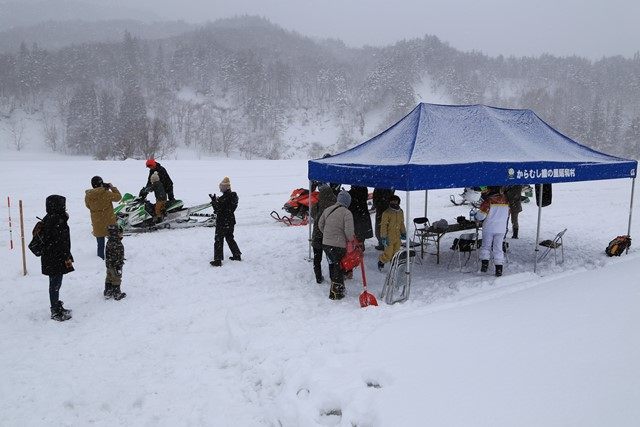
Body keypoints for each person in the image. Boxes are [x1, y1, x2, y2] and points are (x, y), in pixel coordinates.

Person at [41, 195, 74, 321]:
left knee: (56, 283)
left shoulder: (53, 217)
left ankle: (56, 305)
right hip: (55, 257)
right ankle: (55, 310)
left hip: (54, 257)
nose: (65, 207)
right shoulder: (55, 220)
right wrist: (66, 255)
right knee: (55, 283)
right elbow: (60, 241)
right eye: (63, 205)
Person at [318, 190, 355, 300]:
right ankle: (336, 293)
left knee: (334, 264)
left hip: (326, 244)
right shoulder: (347, 213)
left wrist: (328, 234)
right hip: (338, 245)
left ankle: (337, 287)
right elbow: (349, 232)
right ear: (347, 202)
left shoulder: (328, 210)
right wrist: (351, 240)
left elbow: (320, 224)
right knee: (338, 267)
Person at [474, 187, 510, 277]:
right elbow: (508, 213)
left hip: (489, 228)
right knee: (498, 249)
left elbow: (481, 216)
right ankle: (499, 269)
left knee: (486, 247)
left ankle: (484, 266)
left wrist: (476, 216)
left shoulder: (488, 201)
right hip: (501, 229)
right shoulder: (506, 201)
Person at [85, 176, 121, 259]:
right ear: (101, 183)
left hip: (97, 222)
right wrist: (112, 188)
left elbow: (88, 206)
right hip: (109, 221)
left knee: (100, 244)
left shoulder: (88, 195)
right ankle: (114, 256)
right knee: (113, 242)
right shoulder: (106, 193)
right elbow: (118, 197)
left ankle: (100, 259)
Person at [209, 176, 242, 267]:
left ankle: (218, 260)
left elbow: (218, 210)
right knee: (229, 238)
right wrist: (216, 201)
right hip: (230, 221)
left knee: (218, 240)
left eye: (222, 187)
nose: (220, 189)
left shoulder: (223, 198)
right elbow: (229, 208)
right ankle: (237, 255)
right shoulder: (233, 196)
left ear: (226, 187)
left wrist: (214, 202)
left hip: (222, 222)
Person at [310, 184, 336, 284]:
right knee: (331, 259)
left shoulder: (317, 204)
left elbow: (313, 215)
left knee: (317, 259)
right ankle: (333, 277)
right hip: (329, 236)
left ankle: (318, 277)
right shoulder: (334, 205)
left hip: (317, 235)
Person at [377, 195, 406, 271]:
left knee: (396, 253)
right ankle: (381, 261)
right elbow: (383, 225)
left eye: (396, 201)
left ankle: (393, 265)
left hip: (397, 236)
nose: (394, 203)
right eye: (392, 201)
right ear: (390, 202)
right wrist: (384, 237)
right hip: (388, 237)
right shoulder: (386, 213)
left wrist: (403, 232)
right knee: (388, 254)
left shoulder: (400, 211)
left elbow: (401, 223)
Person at [104, 224, 126, 300]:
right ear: (116, 233)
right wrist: (119, 264)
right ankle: (117, 293)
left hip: (109, 264)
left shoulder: (109, 241)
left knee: (109, 277)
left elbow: (109, 254)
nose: (122, 234)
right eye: (121, 233)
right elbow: (118, 255)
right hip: (116, 265)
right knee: (116, 278)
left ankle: (108, 291)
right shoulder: (118, 244)